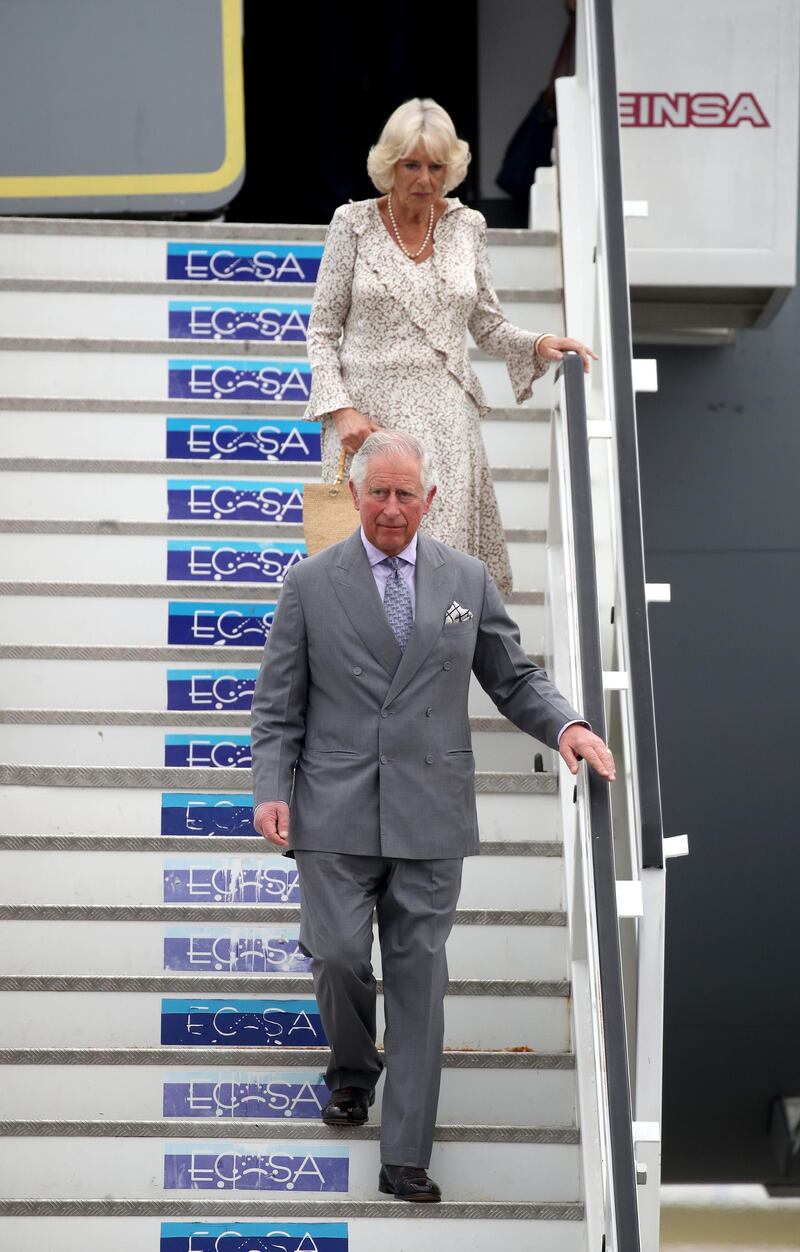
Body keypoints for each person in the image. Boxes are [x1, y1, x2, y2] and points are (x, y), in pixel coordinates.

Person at [251, 430, 614, 1203]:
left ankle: (405, 1153)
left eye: (404, 494)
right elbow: (277, 708)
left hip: (429, 809)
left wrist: (568, 726)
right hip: (333, 806)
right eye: (377, 493)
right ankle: (352, 1068)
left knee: (419, 977)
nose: (390, 508)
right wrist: (270, 788)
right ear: (353, 496)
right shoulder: (309, 583)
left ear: (430, 498)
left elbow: (513, 677)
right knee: (341, 955)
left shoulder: (466, 579)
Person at [305, 96, 596, 597]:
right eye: (411, 165)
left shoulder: (467, 227)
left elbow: (487, 324)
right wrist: (341, 411)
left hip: (445, 424)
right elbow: (322, 331)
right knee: (365, 575)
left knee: (439, 572)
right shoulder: (351, 223)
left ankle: (440, 671)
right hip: (367, 422)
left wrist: (542, 342)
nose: (423, 178)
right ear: (389, 165)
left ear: (451, 169)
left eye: (435, 166)